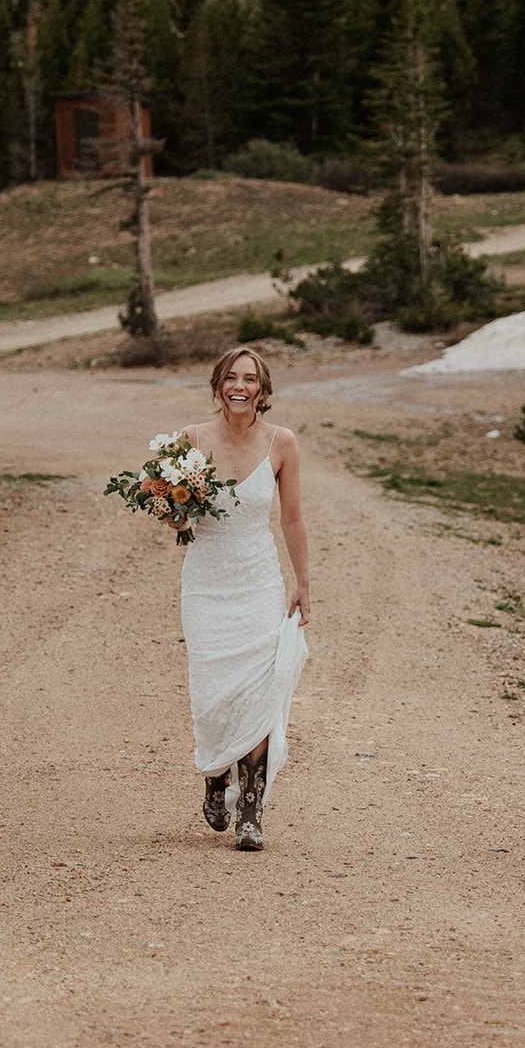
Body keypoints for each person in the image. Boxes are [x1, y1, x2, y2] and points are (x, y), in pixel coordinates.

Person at [179, 346, 309, 852]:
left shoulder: (282, 443)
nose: (239, 386)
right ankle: (215, 773)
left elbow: (292, 519)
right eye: (230, 377)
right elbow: (179, 518)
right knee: (213, 691)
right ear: (218, 386)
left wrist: (303, 582)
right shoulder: (189, 441)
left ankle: (251, 810)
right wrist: (173, 514)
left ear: (262, 389)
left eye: (249, 379)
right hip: (207, 584)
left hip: (258, 581)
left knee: (257, 691)